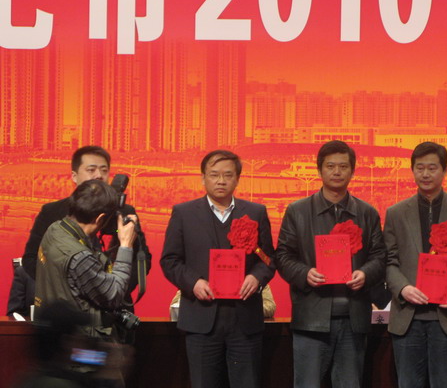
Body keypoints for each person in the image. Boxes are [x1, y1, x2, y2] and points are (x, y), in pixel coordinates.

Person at [275, 140, 386, 388]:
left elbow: (380, 256)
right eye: (331, 166)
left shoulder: (367, 213)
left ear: (352, 171)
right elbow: (282, 255)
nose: (337, 172)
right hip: (311, 319)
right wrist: (305, 273)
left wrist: (365, 274)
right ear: (320, 170)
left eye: (343, 166)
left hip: (353, 319)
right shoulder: (297, 211)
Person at [160, 150, 276, 388]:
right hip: (201, 317)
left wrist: (256, 278)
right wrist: (193, 282)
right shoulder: (183, 213)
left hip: (245, 319)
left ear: (237, 179)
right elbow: (170, 260)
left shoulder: (255, 212)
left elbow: (268, 259)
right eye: (214, 175)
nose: (221, 181)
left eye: (227, 175)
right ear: (203, 178)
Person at [384, 141, 447, 388]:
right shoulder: (396, 212)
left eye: (432, 168)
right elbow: (388, 261)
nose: (425, 174)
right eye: (420, 168)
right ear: (412, 170)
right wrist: (403, 288)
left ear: (445, 170)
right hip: (408, 316)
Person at [21, 145, 149, 313]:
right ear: (74, 176)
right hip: (68, 308)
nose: (99, 175)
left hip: (115, 306)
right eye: (91, 170)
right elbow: (31, 260)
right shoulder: (52, 213)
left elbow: (142, 260)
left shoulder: (124, 212)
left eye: (104, 170)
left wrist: (111, 289)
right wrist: (76, 288)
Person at [34, 179, 138, 339]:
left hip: (56, 335)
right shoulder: (79, 256)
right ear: (100, 219)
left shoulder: (55, 230)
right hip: (81, 342)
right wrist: (125, 245)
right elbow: (114, 295)